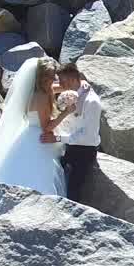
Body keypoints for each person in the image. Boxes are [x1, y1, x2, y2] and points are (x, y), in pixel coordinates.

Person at [0, 58, 69, 196]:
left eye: (53, 76)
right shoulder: (41, 97)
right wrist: (66, 112)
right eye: (49, 77)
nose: (52, 79)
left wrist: (76, 85)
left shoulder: (40, 89)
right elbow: (46, 128)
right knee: (39, 173)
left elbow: (59, 88)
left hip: (29, 131)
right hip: (39, 137)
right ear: (40, 77)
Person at [43, 63, 102, 195]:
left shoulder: (91, 102)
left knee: (73, 190)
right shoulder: (74, 91)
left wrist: (57, 138)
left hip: (85, 151)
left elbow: (88, 137)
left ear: (72, 80)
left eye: (62, 81)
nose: (61, 86)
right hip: (70, 145)